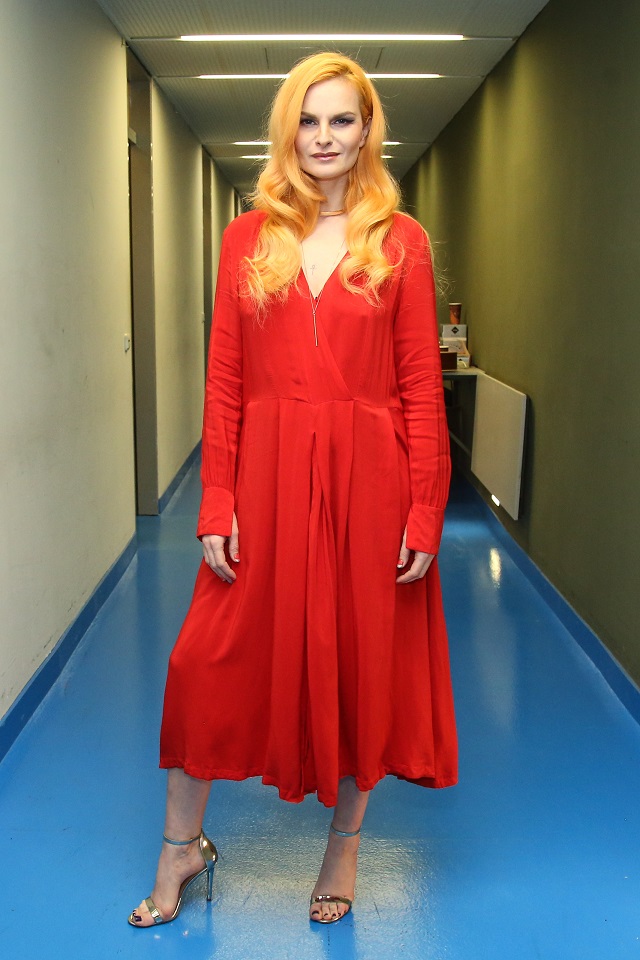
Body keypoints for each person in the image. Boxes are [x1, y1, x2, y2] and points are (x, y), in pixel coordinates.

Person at [128, 51, 457, 929]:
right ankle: (180, 847)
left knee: (358, 667)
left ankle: (342, 847)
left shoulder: (402, 241)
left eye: (342, 119)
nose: (324, 137)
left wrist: (425, 507)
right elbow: (224, 381)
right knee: (201, 662)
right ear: (288, 132)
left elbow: (421, 387)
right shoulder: (249, 238)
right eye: (308, 121)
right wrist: (217, 498)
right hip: (266, 481)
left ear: (367, 128)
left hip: (371, 483)